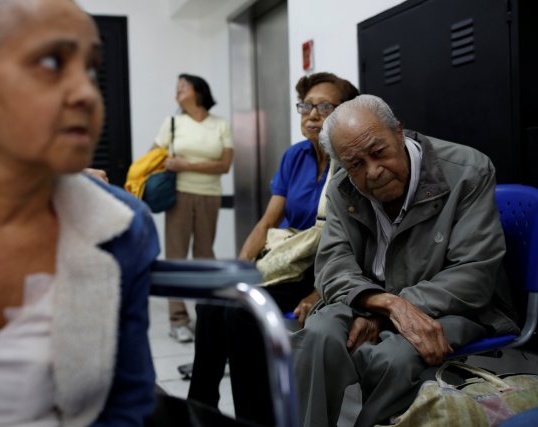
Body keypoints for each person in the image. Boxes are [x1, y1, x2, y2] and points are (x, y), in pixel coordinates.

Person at [0, 0, 158, 425]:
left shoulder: (121, 228)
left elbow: (125, 404)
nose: (86, 93)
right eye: (51, 61)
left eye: (90, 67)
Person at [292, 94, 520, 427]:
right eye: (355, 164)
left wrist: (389, 311)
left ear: (398, 132)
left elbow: (472, 277)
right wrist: (386, 306)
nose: (373, 172)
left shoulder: (468, 171)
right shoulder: (342, 187)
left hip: (454, 305)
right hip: (369, 297)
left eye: (378, 152)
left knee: (392, 357)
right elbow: (332, 266)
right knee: (318, 333)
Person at [188, 72, 359, 426]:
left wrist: (318, 292)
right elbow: (267, 222)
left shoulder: (352, 162)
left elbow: (359, 241)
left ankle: (255, 420)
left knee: (241, 312)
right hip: (286, 260)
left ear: (346, 111)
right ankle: (199, 410)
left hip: (326, 268)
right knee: (210, 302)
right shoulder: (295, 157)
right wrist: (238, 267)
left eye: (324, 106)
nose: (312, 114)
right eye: (306, 106)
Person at [153, 74, 234, 343]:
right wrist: (168, 163)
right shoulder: (173, 122)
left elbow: (224, 165)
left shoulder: (220, 124)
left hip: (209, 196)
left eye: (182, 86)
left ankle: (207, 314)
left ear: (198, 91)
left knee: (204, 256)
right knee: (176, 257)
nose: (177, 91)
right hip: (178, 195)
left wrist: (186, 164)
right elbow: (154, 156)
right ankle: (178, 320)